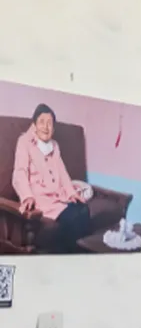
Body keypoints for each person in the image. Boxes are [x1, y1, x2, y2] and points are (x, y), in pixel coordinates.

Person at [11, 103, 92, 252]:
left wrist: (72, 193)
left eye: (49, 123)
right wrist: (27, 196)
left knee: (84, 209)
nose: (45, 127)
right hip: (40, 199)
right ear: (34, 125)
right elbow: (19, 172)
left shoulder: (54, 145)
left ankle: (75, 253)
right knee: (73, 217)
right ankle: (68, 255)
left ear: (53, 129)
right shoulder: (24, 142)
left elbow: (62, 172)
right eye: (42, 122)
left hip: (57, 196)